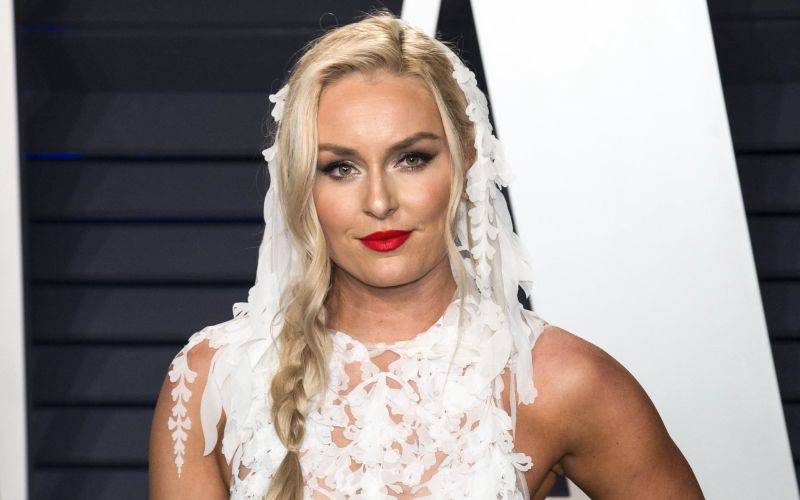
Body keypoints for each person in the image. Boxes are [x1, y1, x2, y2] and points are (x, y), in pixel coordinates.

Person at [149, 12, 703, 500]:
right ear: (301, 183)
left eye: (411, 158)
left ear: (465, 160)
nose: (379, 201)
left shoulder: (560, 381)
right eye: (340, 168)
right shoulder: (211, 380)